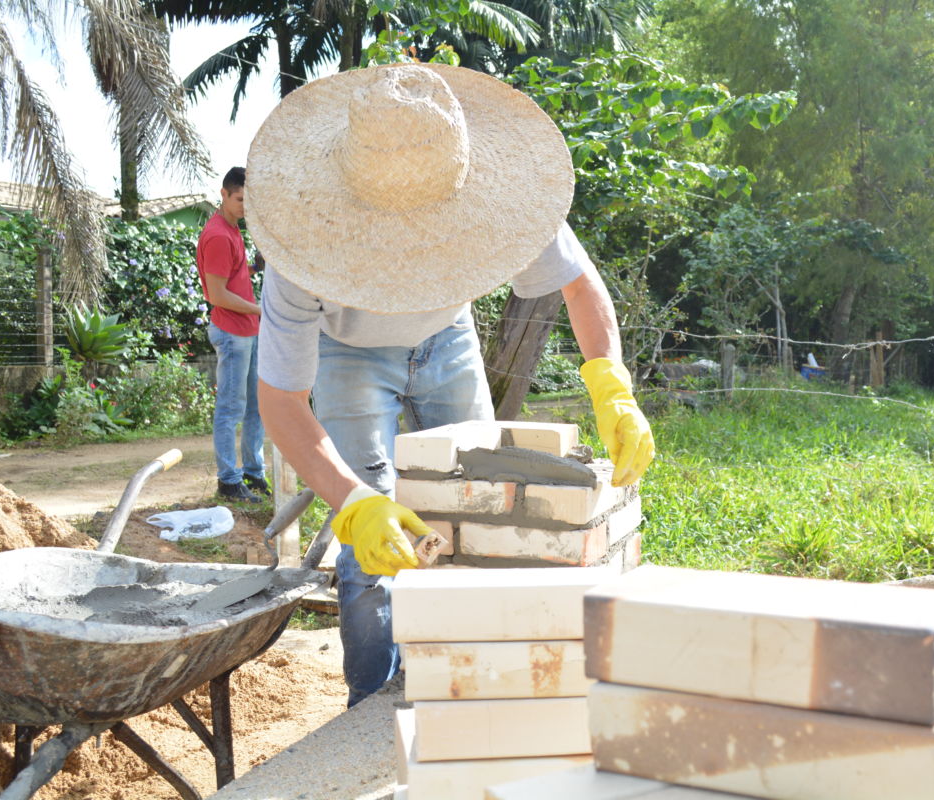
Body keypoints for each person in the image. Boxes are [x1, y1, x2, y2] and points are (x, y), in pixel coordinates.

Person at [246, 63, 655, 705]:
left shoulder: (504, 192)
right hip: (347, 354)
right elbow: (281, 403)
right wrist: (353, 503)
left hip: (449, 338)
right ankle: (372, 707)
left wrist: (612, 384)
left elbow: (579, 283)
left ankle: (472, 679)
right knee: (371, 533)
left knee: (482, 492)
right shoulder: (298, 244)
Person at [196, 166, 269, 503]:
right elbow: (217, 295)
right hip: (232, 332)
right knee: (230, 409)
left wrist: (254, 268)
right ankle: (228, 481)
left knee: (257, 408)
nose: (244, 205)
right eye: (240, 199)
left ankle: (254, 475)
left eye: (248, 200)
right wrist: (261, 311)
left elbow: (232, 275)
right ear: (223, 194)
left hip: (248, 331)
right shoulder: (218, 235)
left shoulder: (233, 228)